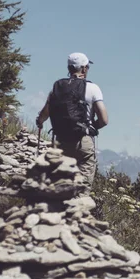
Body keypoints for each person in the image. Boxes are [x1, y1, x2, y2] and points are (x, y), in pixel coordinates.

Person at [36, 52, 108, 191]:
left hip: (61, 141)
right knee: (81, 189)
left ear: (69, 69)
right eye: (87, 66)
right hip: (83, 142)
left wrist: (39, 121)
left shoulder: (58, 87)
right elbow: (104, 120)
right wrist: (92, 127)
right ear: (84, 68)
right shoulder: (92, 88)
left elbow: (45, 113)